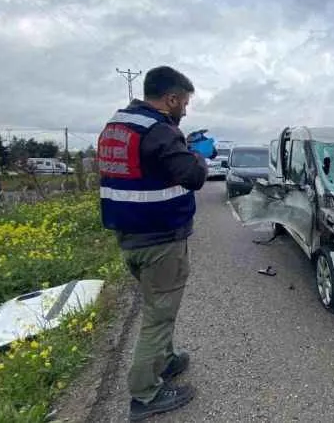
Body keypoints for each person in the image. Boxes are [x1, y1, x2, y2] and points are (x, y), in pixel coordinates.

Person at [96, 66, 214, 421]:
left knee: (157, 304)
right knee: (158, 315)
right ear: (171, 98)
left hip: (130, 236)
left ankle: (166, 359)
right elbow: (193, 176)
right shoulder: (161, 131)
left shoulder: (116, 126)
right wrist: (197, 153)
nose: (185, 110)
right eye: (185, 102)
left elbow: (149, 168)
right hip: (160, 240)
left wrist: (181, 144)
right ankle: (145, 394)